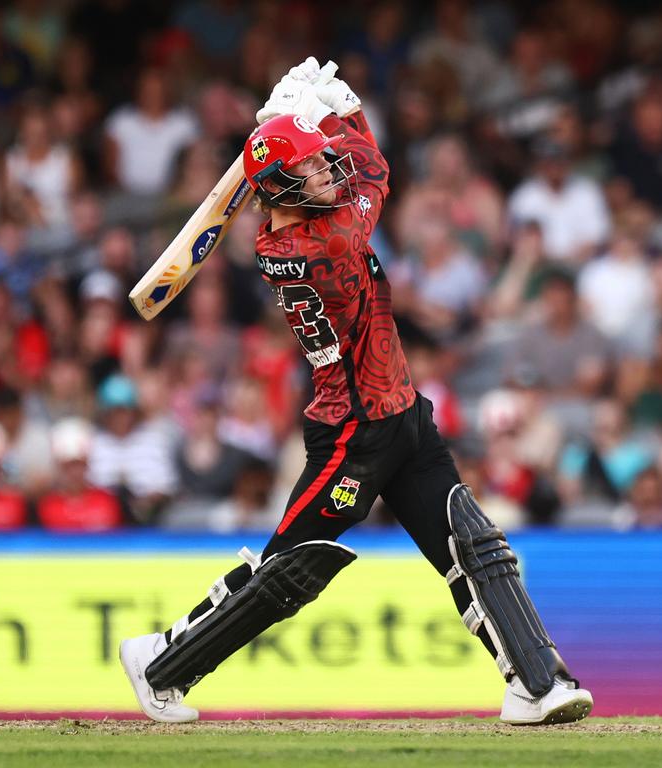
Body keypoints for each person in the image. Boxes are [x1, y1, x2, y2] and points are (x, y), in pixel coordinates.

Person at [119, 57, 593, 726]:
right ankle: (160, 663)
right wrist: (339, 110)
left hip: (400, 413)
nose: (326, 172)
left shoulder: (300, 221)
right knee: (286, 574)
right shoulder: (323, 243)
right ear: (280, 184)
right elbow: (374, 167)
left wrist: (313, 124)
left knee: (474, 540)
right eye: (310, 166)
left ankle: (537, 684)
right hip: (353, 434)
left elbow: (351, 165)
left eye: (321, 162)